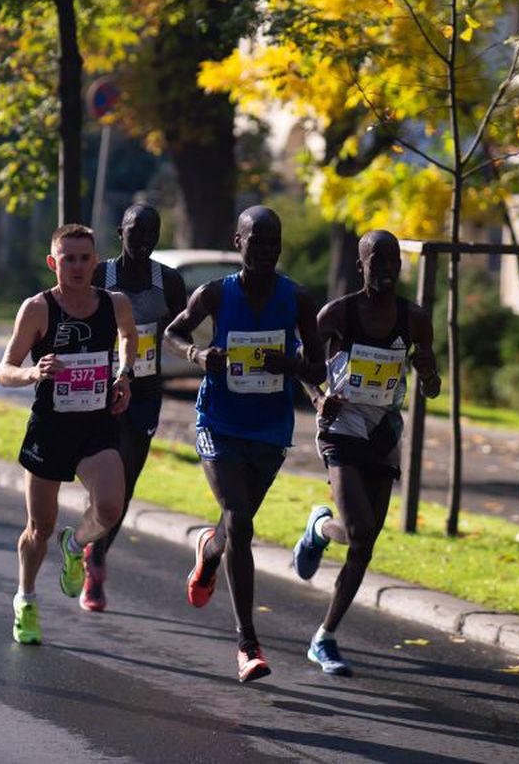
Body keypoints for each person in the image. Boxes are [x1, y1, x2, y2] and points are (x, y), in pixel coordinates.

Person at [164, 205, 324, 683]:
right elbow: (173, 334)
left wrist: (291, 366)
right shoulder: (214, 293)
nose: (265, 253)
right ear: (239, 242)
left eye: (273, 245)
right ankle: (247, 643)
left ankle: (209, 550)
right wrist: (197, 353)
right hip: (219, 420)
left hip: (269, 429)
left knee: (236, 525)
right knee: (240, 521)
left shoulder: (297, 299)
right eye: (257, 243)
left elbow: (318, 365)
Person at [293, 229, 440, 677]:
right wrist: (319, 399)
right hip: (341, 428)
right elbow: (304, 366)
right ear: (361, 266)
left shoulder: (414, 320)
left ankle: (324, 632)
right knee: (359, 530)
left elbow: (431, 384)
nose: (387, 269)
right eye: (378, 261)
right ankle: (327, 636)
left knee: (366, 541)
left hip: (385, 432)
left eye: (393, 260)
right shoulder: (337, 314)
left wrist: (428, 374)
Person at [0, 223, 136, 644]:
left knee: (110, 510)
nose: (76, 267)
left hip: (96, 424)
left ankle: (76, 546)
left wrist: (125, 375)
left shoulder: (116, 304)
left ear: (96, 261)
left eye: (84, 258)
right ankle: (26, 599)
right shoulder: (38, 309)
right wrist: (33, 373)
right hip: (51, 428)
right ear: (53, 263)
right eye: (68, 259)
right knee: (39, 526)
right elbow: (4, 370)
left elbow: (129, 337)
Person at [82, 205, 187, 612]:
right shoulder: (99, 275)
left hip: (143, 394)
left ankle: (98, 554)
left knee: (125, 481)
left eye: (151, 233)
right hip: (96, 390)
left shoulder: (169, 282)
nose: (142, 240)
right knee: (98, 475)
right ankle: (91, 537)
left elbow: (178, 332)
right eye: (135, 231)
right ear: (119, 232)